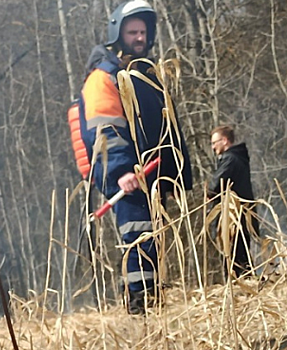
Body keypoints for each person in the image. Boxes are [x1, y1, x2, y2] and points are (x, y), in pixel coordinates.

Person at [78, 0, 193, 314]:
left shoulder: (144, 74)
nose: (139, 37)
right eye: (133, 31)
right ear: (118, 32)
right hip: (129, 179)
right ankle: (140, 311)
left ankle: (151, 304)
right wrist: (120, 171)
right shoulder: (104, 77)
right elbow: (104, 131)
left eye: (143, 31)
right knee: (138, 237)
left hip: (153, 176)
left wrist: (174, 172)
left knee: (152, 240)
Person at [208, 125, 256, 278]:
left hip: (233, 218)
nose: (213, 146)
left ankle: (241, 287)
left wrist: (208, 193)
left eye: (215, 142)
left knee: (235, 255)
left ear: (224, 140)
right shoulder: (238, 159)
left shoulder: (230, 159)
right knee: (241, 256)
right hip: (240, 216)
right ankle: (245, 285)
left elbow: (215, 186)